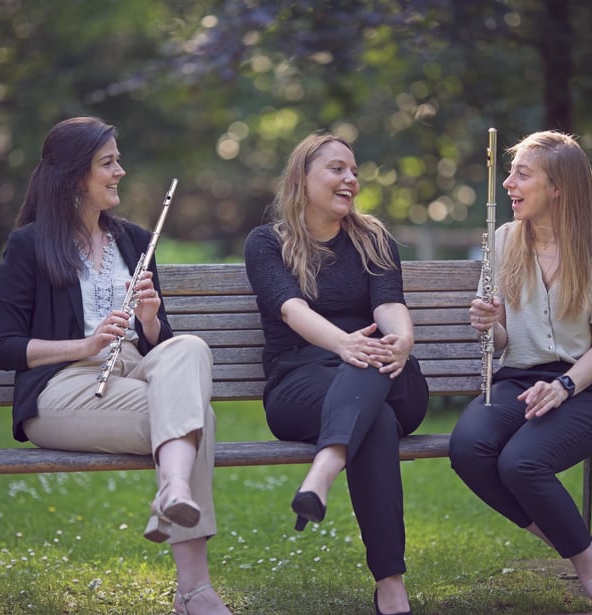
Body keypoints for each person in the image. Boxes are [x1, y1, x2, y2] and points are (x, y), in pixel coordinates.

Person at [0, 116, 231, 615]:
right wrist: (82, 344)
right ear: (76, 175)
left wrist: (150, 319)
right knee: (196, 421)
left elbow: (157, 344)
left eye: (118, 161)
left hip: (133, 372)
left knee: (189, 347)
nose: (120, 171)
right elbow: (3, 346)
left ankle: (174, 488)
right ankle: (194, 591)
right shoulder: (30, 245)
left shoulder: (136, 241)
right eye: (108, 162)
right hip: (62, 390)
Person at [448, 131, 592, 615]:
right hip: (518, 378)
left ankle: (591, 575)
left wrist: (564, 386)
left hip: (591, 388)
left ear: (558, 187)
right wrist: (490, 325)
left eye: (522, 175)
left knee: (521, 464)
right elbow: (504, 343)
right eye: (510, 173)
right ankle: (586, 546)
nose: (508, 183)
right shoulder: (503, 240)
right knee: (469, 449)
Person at [244, 132, 430, 615]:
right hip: (301, 385)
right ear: (302, 178)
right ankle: (390, 583)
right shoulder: (268, 243)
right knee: (377, 421)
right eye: (337, 169)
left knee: (371, 362)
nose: (351, 178)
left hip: (390, 377)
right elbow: (290, 310)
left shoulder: (373, 239)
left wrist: (403, 341)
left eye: (354, 170)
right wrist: (345, 343)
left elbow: (390, 305)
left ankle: (322, 473)